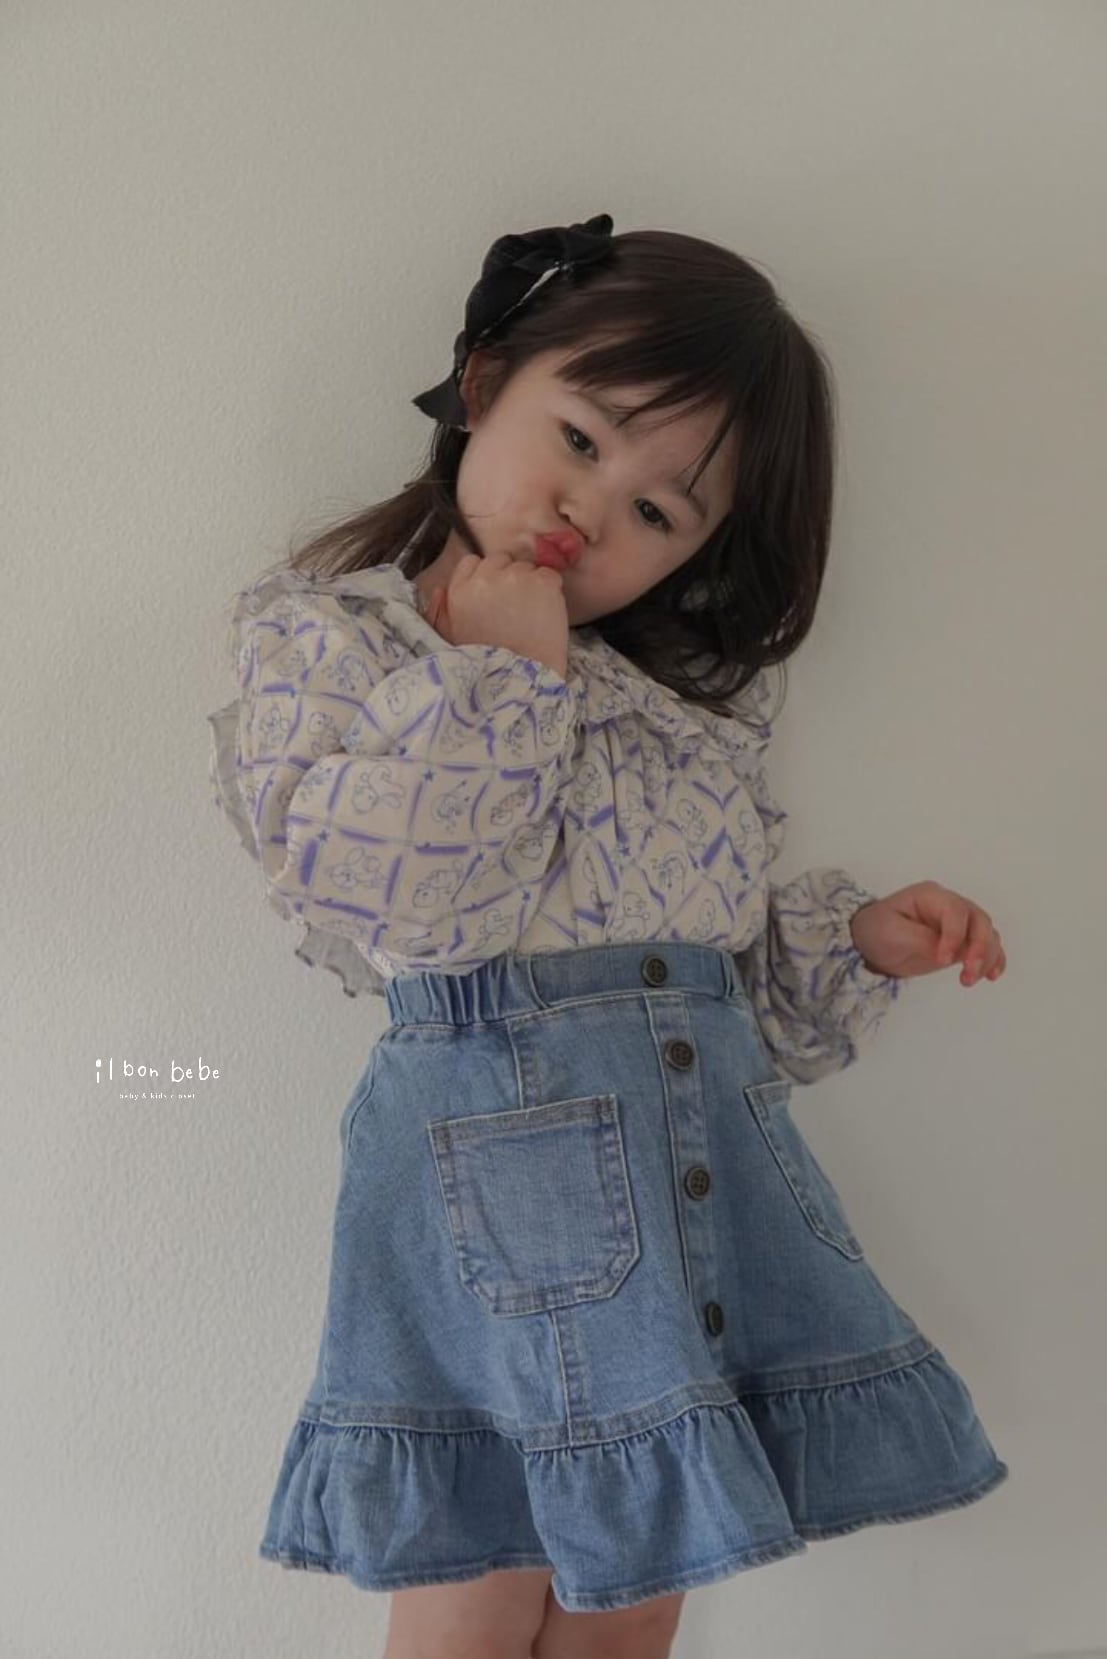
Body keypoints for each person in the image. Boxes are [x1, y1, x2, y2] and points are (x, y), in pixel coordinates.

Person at [206, 214, 1009, 1656]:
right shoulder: (346, 643)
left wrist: (855, 943)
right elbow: (403, 907)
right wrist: (504, 682)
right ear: (483, 381)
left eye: (660, 511)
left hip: (695, 1192)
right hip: (498, 1205)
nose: (591, 507)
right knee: (475, 1606)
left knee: (631, 1617)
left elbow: (725, 996)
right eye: (578, 438)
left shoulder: (679, 719)